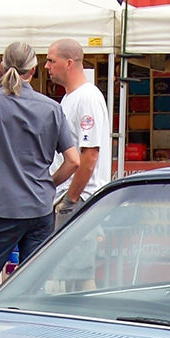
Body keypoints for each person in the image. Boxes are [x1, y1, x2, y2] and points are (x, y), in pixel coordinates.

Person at [0, 41, 80, 305]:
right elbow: (73, 161)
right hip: (39, 207)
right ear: (34, 70)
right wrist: (48, 184)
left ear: (1, 67)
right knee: (32, 291)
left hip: (2, 207)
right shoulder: (51, 107)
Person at [45, 37, 110, 229]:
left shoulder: (87, 97)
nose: (47, 66)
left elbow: (89, 155)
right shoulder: (69, 97)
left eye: (51, 60)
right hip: (70, 196)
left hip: (81, 197)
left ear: (69, 63)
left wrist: (71, 200)